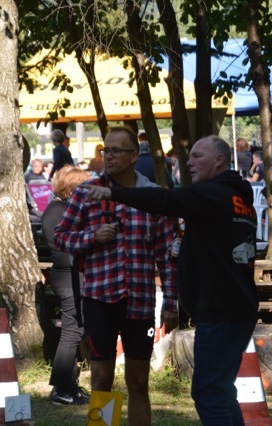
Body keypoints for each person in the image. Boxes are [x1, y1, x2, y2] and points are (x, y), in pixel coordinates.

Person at [82, 135, 258, 425]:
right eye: (189, 157)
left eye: (197, 156)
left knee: (204, 391)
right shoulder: (236, 198)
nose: (189, 162)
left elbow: (164, 201)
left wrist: (113, 194)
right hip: (229, 307)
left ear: (219, 161)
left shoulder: (214, 194)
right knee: (220, 390)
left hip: (213, 310)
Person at [53, 127, 178, 425]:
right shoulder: (86, 192)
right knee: (101, 378)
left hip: (139, 302)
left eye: (115, 151)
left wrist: (171, 300)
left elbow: (166, 254)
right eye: (105, 150)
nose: (108, 156)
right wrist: (92, 237)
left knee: (139, 382)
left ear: (134, 156)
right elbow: (60, 237)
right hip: (99, 299)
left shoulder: (152, 196)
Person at [41, 165, 91, 406]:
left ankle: (69, 385)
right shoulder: (64, 211)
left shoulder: (53, 208)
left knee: (73, 330)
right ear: (74, 189)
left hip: (64, 275)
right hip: (70, 277)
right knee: (72, 332)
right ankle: (62, 388)